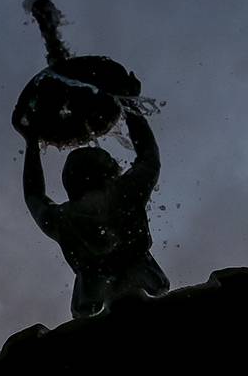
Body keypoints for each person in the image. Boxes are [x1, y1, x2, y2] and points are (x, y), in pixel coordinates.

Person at [18, 109, 171, 318]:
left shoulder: (63, 218)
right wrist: (130, 107)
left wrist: (31, 143)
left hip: (93, 303)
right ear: (108, 172)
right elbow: (149, 156)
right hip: (147, 289)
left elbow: (33, 195)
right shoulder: (126, 192)